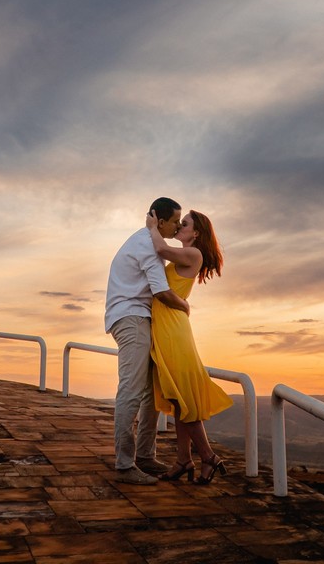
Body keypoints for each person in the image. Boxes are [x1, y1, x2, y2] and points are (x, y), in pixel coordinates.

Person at [104, 197, 191, 485]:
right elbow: (161, 291)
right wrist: (184, 306)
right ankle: (125, 464)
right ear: (161, 220)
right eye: (176, 221)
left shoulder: (149, 240)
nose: (178, 226)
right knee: (131, 389)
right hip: (132, 317)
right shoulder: (148, 247)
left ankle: (144, 456)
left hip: (138, 317)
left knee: (148, 390)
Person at [145, 208, 233, 485]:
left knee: (182, 397)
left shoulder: (194, 254)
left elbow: (160, 248)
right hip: (167, 326)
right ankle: (184, 459)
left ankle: (207, 456)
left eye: (184, 224)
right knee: (178, 399)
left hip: (173, 331)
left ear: (196, 233)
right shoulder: (188, 255)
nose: (179, 226)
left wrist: (151, 226)